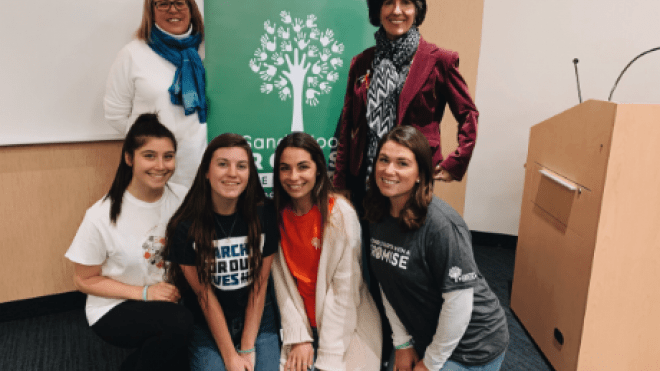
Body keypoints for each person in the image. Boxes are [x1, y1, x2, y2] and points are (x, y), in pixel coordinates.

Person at [364, 126, 509, 371]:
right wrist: (402, 344)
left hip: (472, 345)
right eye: (384, 160)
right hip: (425, 335)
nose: (389, 170)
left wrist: (429, 364)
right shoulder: (377, 215)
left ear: (421, 173)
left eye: (402, 163)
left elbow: (459, 305)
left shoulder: (442, 225)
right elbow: (388, 282)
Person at [65, 113, 193, 371]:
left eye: (168, 156)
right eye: (149, 155)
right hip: (115, 306)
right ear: (129, 158)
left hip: (168, 299)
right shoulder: (101, 215)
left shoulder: (184, 198)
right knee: (180, 325)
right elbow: (83, 279)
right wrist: (145, 294)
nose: (161, 165)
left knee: (183, 342)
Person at [333, 0, 479, 208]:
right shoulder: (362, 62)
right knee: (365, 238)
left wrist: (457, 161)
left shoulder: (440, 61)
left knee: (406, 236)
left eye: (406, 3)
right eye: (388, 3)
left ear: (417, 10)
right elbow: (348, 124)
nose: (397, 10)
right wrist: (341, 181)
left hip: (412, 177)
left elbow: (468, 114)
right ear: (378, 9)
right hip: (364, 177)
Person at [164, 133, 280, 371]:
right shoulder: (185, 226)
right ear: (207, 171)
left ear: (250, 173)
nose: (232, 173)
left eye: (241, 166)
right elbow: (203, 295)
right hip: (208, 323)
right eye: (223, 164)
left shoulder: (264, 214)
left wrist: (247, 347)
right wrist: (230, 357)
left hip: (258, 318)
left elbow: (260, 284)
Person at [271, 132, 382, 371]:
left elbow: (345, 292)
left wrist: (328, 357)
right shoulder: (276, 217)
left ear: (318, 170)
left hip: (347, 325)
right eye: (285, 168)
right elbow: (284, 288)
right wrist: (299, 337)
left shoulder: (339, 214)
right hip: (302, 328)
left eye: (303, 167)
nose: (293, 177)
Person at [105, 0, 207, 188]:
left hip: (203, 169)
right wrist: (151, 146)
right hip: (155, 172)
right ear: (151, 10)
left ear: (191, 8)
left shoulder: (210, 50)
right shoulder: (132, 54)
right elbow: (116, 115)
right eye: (164, 4)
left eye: (179, 3)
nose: (173, 10)